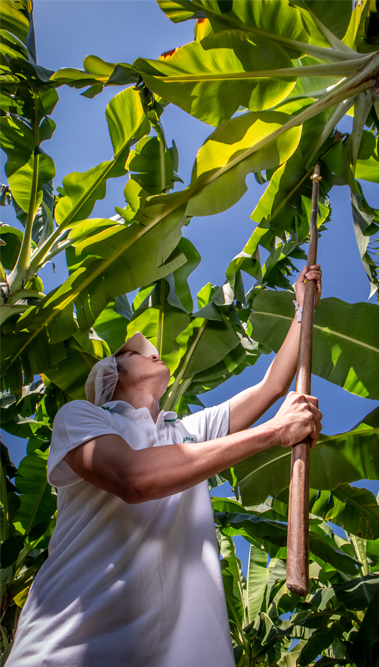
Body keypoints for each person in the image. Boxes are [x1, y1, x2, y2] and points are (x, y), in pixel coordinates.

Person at [7, 266, 323, 667]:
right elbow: (133, 478)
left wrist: (302, 307)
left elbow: (272, 386)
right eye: (138, 352)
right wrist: (272, 432)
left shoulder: (184, 431)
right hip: (70, 650)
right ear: (113, 374)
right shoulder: (84, 417)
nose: (154, 350)